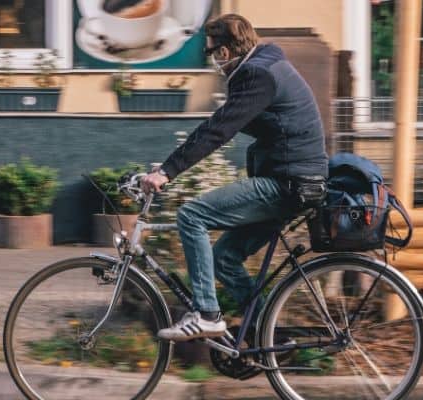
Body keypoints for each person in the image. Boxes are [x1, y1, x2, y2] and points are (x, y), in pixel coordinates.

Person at [141, 14, 329, 342]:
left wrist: (167, 172)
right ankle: (269, 337)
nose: (214, 61)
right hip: (296, 180)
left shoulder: (257, 75)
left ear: (225, 52)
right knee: (224, 258)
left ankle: (207, 315)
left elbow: (218, 130)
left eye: (214, 52)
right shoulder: (264, 67)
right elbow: (225, 125)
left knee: (191, 215)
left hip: (288, 184)